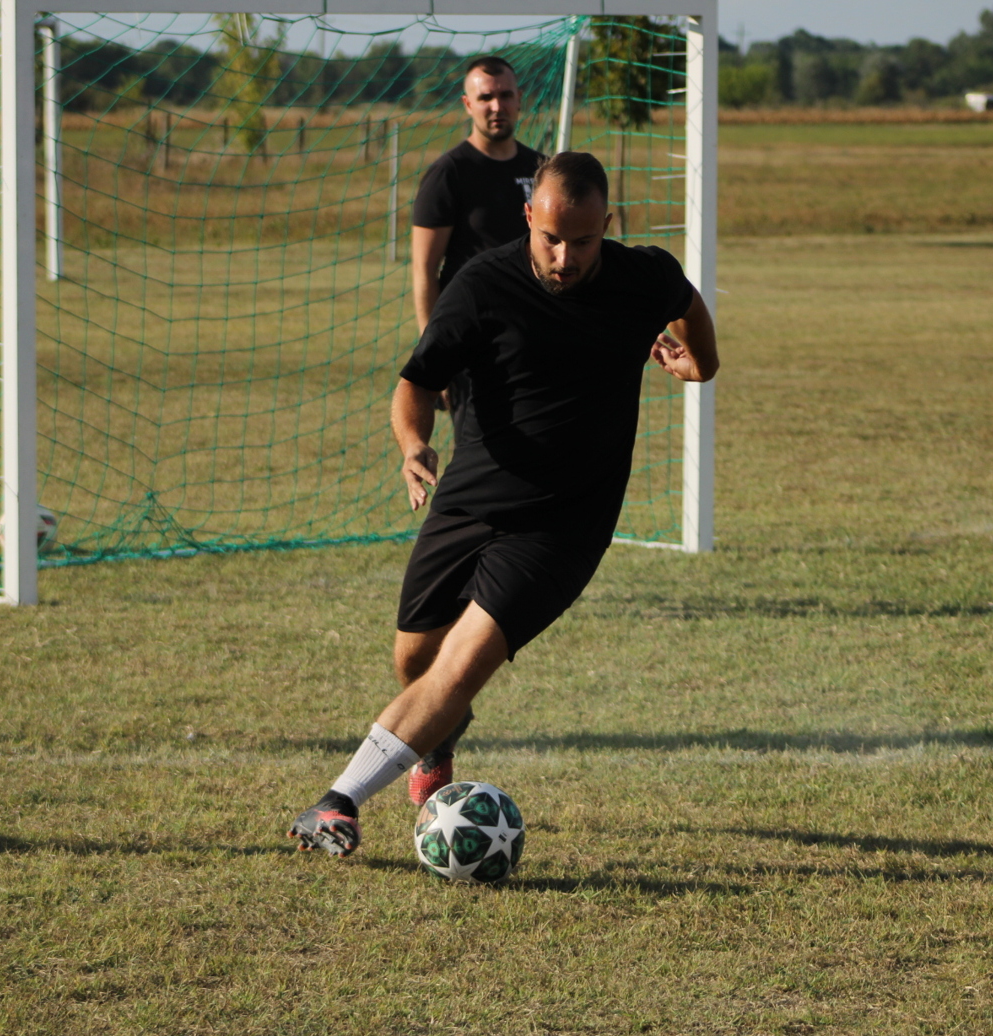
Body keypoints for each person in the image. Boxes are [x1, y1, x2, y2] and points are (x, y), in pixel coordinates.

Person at [289, 151, 718, 858]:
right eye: (551, 238)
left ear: (607, 225)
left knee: (461, 666)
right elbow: (416, 381)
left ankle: (338, 802)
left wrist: (703, 362)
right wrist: (413, 444)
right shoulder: (482, 285)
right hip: (469, 498)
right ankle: (435, 741)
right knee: (415, 657)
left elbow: (689, 304)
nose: (565, 256)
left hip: (564, 523)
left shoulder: (644, 275)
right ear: (527, 217)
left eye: (583, 241)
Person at [403, 53, 544, 803]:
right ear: (466, 103)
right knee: (477, 476)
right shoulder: (448, 176)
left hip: (537, 359)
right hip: (472, 357)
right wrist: (440, 356)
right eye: (485, 97)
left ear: (520, 99)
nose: (497, 106)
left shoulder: (541, 171)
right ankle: (465, 584)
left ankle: (511, 570)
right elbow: (425, 274)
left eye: (506, 95)